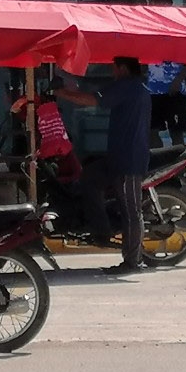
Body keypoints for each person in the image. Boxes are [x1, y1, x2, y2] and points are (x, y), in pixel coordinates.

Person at [55, 57, 152, 274]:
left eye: (114, 67)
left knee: (131, 211)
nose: (112, 71)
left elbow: (93, 100)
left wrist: (62, 94)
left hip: (129, 161)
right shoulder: (132, 88)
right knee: (89, 178)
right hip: (117, 157)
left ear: (124, 68)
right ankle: (101, 229)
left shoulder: (129, 87)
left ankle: (133, 261)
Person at [144, 0, 186, 146]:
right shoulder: (147, 27)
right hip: (152, 90)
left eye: (155, 5)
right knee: (150, 131)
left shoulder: (180, 28)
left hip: (175, 90)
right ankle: (161, 163)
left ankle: (179, 167)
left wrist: (178, 80)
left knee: (176, 132)